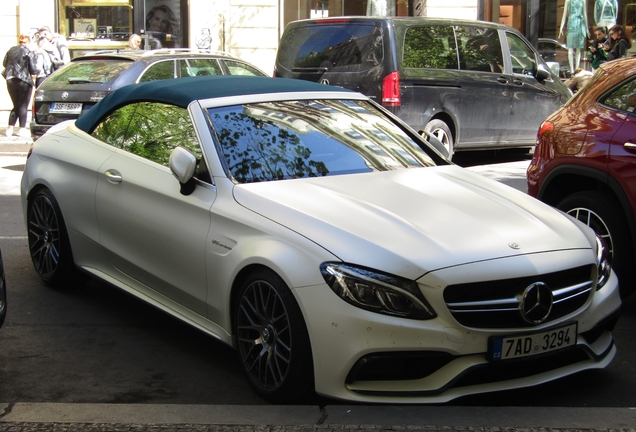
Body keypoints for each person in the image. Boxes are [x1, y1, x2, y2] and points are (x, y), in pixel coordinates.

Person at [2, 34, 37, 138]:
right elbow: (33, 69)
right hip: (24, 80)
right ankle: (22, 129)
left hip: (10, 79)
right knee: (23, 105)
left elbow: (5, 64)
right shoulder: (28, 52)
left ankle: (10, 128)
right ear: (27, 42)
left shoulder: (11, 50)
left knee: (15, 105)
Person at [559, 0, 591, 74]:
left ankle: (577, 68)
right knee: (570, 48)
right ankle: (572, 70)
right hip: (571, 24)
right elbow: (564, 15)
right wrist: (561, 27)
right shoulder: (568, 1)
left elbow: (585, 14)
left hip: (580, 24)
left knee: (578, 48)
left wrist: (586, 28)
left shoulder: (583, 1)